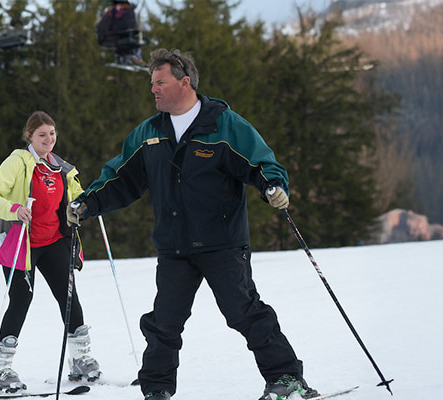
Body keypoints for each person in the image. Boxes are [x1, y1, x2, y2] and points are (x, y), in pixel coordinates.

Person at [67, 49, 319, 400]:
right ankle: (156, 390)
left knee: (245, 313)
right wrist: (88, 202)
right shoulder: (148, 133)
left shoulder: (224, 124)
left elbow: (261, 163)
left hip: (222, 243)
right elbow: (120, 179)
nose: (153, 90)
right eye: (151, 83)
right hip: (174, 246)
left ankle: (287, 379)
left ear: (185, 83)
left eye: (160, 82)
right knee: (164, 324)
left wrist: (274, 187)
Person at [0, 111, 101, 393]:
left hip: (54, 240)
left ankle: (81, 361)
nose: (49, 139)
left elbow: (77, 197)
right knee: (21, 299)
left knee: (68, 296)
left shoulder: (61, 168)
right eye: (42, 134)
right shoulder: (18, 162)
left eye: (52, 133)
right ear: (29, 136)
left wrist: (85, 204)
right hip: (22, 243)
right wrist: (14, 209)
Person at [96, 0, 146, 67]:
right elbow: (126, 25)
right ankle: (130, 59)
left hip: (110, 36)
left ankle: (124, 59)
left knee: (130, 40)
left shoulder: (110, 13)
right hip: (114, 36)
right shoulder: (123, 13)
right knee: (131, 40)